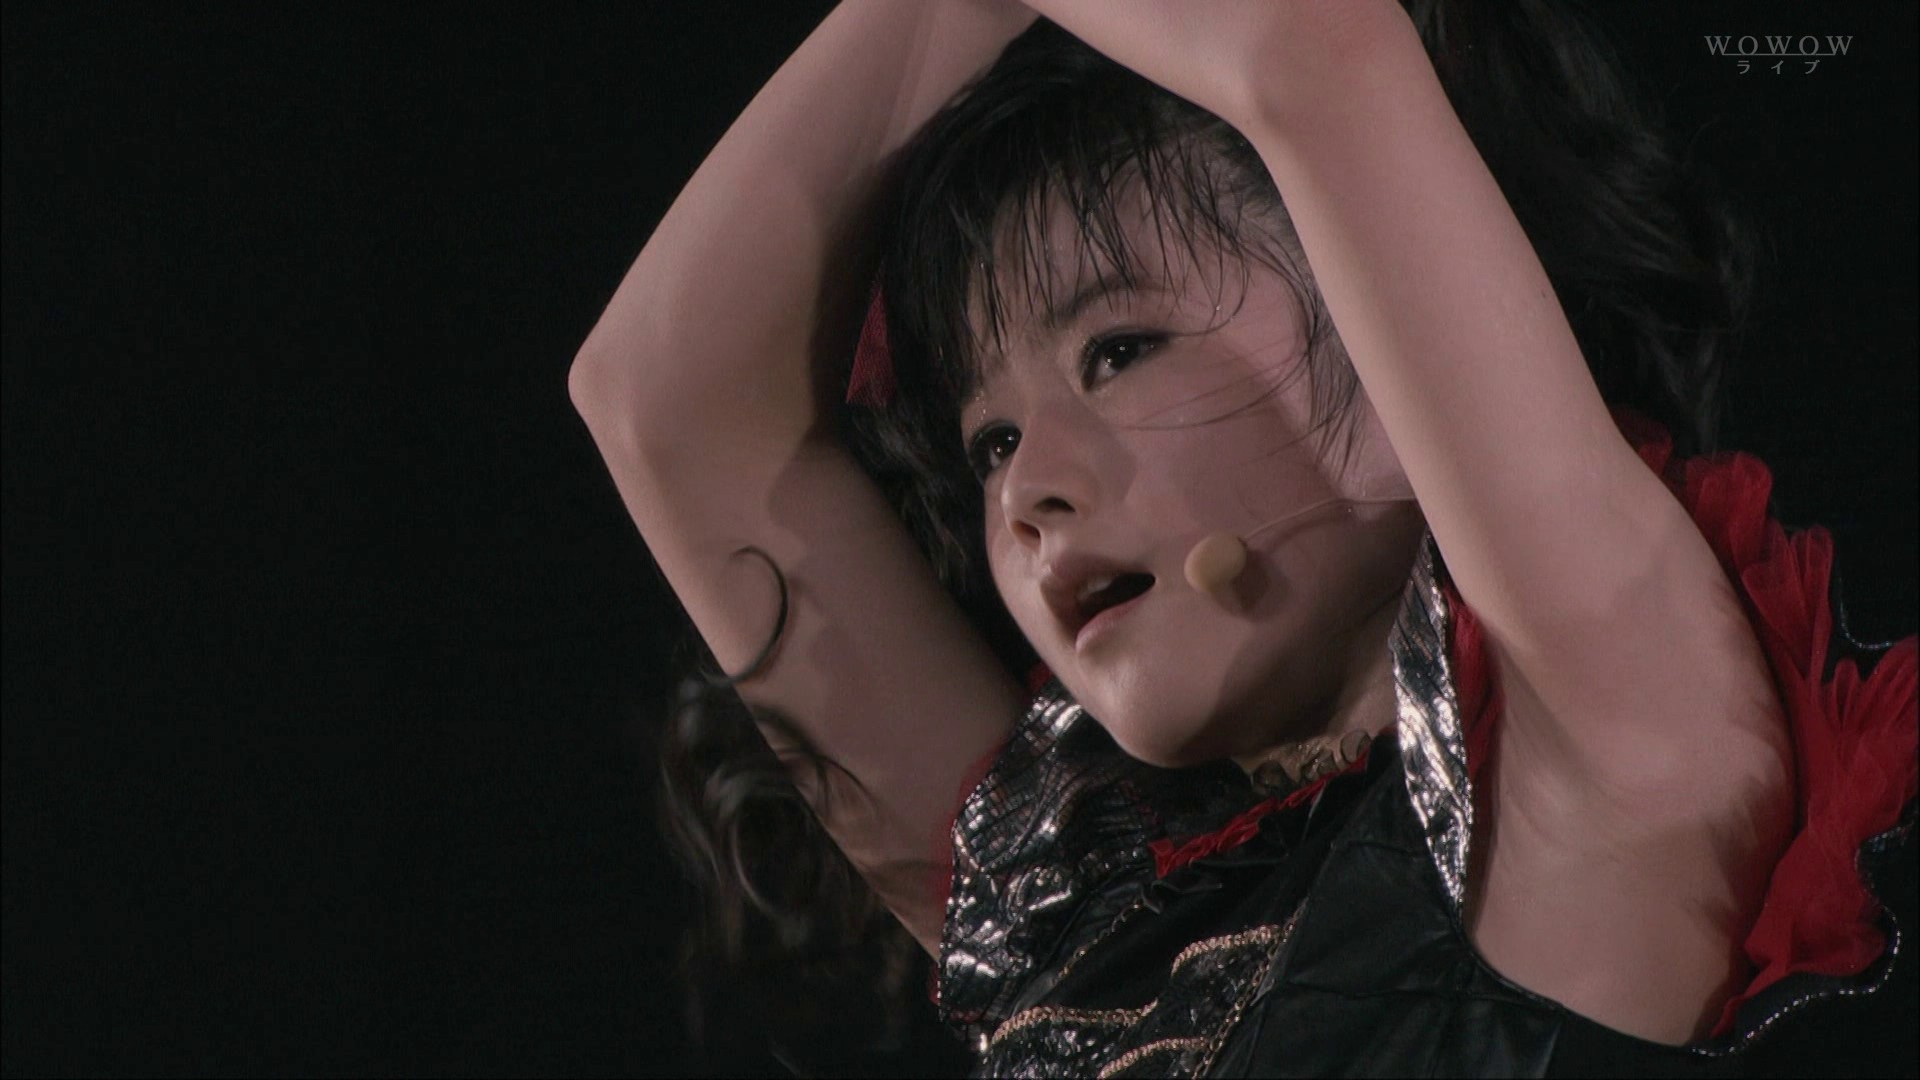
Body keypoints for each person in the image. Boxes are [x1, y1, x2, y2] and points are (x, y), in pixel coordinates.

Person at [569, 1, 1917, 1074]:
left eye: (1118, 350)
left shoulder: (1616, 730)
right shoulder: (1062, 908)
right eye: (990, 441)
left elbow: (1314, 47)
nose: (1026, 491)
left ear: (1394, 332)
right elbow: (662, 404)